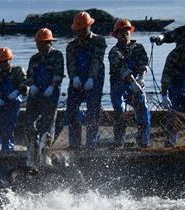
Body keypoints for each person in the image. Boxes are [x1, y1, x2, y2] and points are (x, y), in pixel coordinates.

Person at [65, 11, 106, 149]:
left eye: (83, 29)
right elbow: (70, 64)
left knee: (93, 111)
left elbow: (96, 60)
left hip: (94, 81)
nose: (81, 32)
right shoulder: (71, 45)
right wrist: (74, 77)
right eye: (79, 30)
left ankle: (91, 143)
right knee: (72, 110)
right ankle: (74, 143)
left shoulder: (99, 41)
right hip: (76, 81)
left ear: (89, 26)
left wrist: (91, 78)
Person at [23, 28, 64, 167]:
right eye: (38, 43)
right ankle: (32, 151)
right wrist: (32, 85)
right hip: (35, 94)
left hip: (51, 93)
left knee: (48, 123)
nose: (39, 45)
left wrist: (51, 87)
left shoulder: (57, 55)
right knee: (29, 123)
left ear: (49, 42)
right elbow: (29, 75)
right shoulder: (34, 58)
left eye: (42, 43)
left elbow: (59, 74)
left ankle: (45, 154)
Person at [108, 20, 150, 147]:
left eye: (126, 30)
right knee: (120, 113)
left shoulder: (139, 48)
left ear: (130, 32)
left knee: (143, 108)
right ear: (116, 35)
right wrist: (132, 82)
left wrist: (141, 78)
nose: (124, 33)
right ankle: (118, 143)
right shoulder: (114, 51)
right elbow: (122, 68)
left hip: (136, 84)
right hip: (118, 86)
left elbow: (144, 64)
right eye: (121, 31)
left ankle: (143, 142)